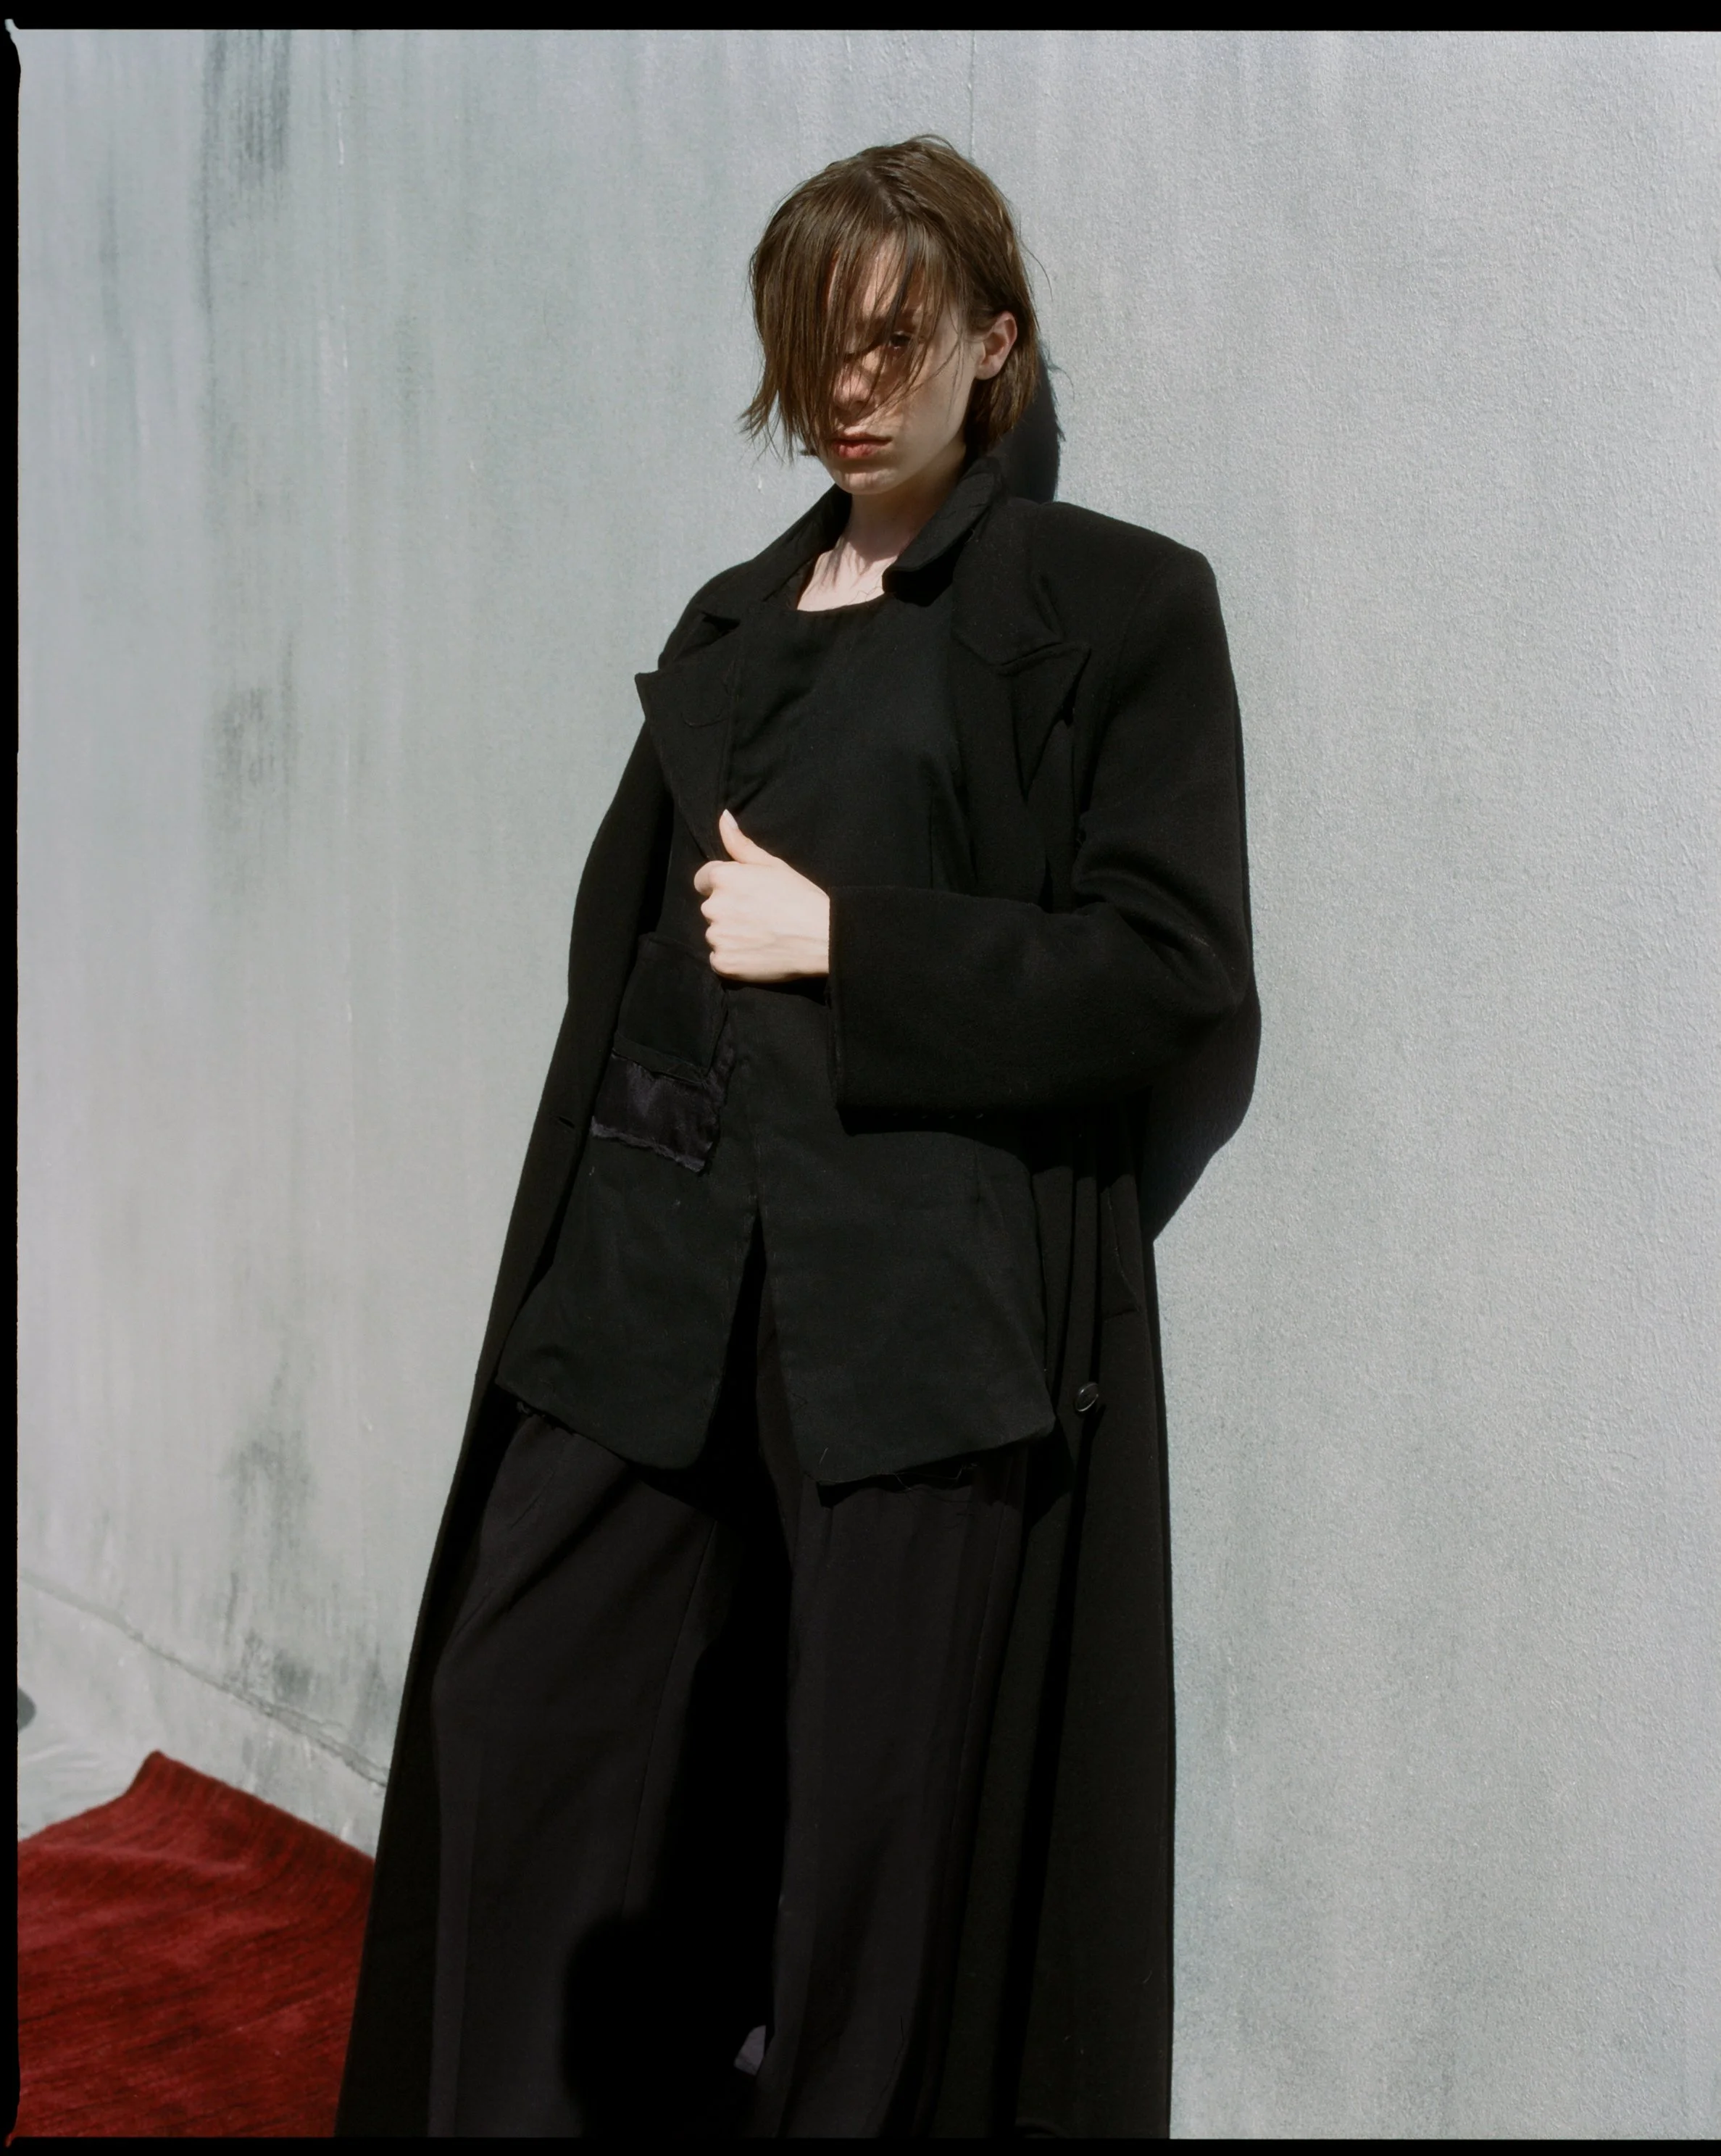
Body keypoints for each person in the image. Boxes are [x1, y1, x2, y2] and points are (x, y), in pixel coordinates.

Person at [337, 135, 1253, 2140]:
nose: (847, 380)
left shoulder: (1108, 605)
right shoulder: (737, 613)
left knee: (869, 1842)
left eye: (894, 335)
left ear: (989, 344)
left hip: (906, 1306)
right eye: (812, 341)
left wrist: (858, 945)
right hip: (655, 1276)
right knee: (520, 1705)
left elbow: (1174, 974)